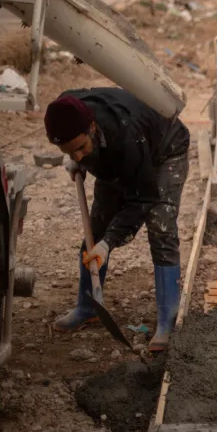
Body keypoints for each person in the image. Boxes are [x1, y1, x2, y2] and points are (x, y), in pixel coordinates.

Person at [45, 88, 190, 353]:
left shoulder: (125, 139)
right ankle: (87, 306)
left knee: (160, 227)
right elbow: (85, 151)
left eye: (80, 148)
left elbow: (142, 198)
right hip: (118, 157)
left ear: (92, 128)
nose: (77, 155)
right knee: (95, 228)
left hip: (165, 150)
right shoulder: (66, 110)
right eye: (68, 151)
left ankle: (167, 320)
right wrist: (78, 159)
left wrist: (110, 243)